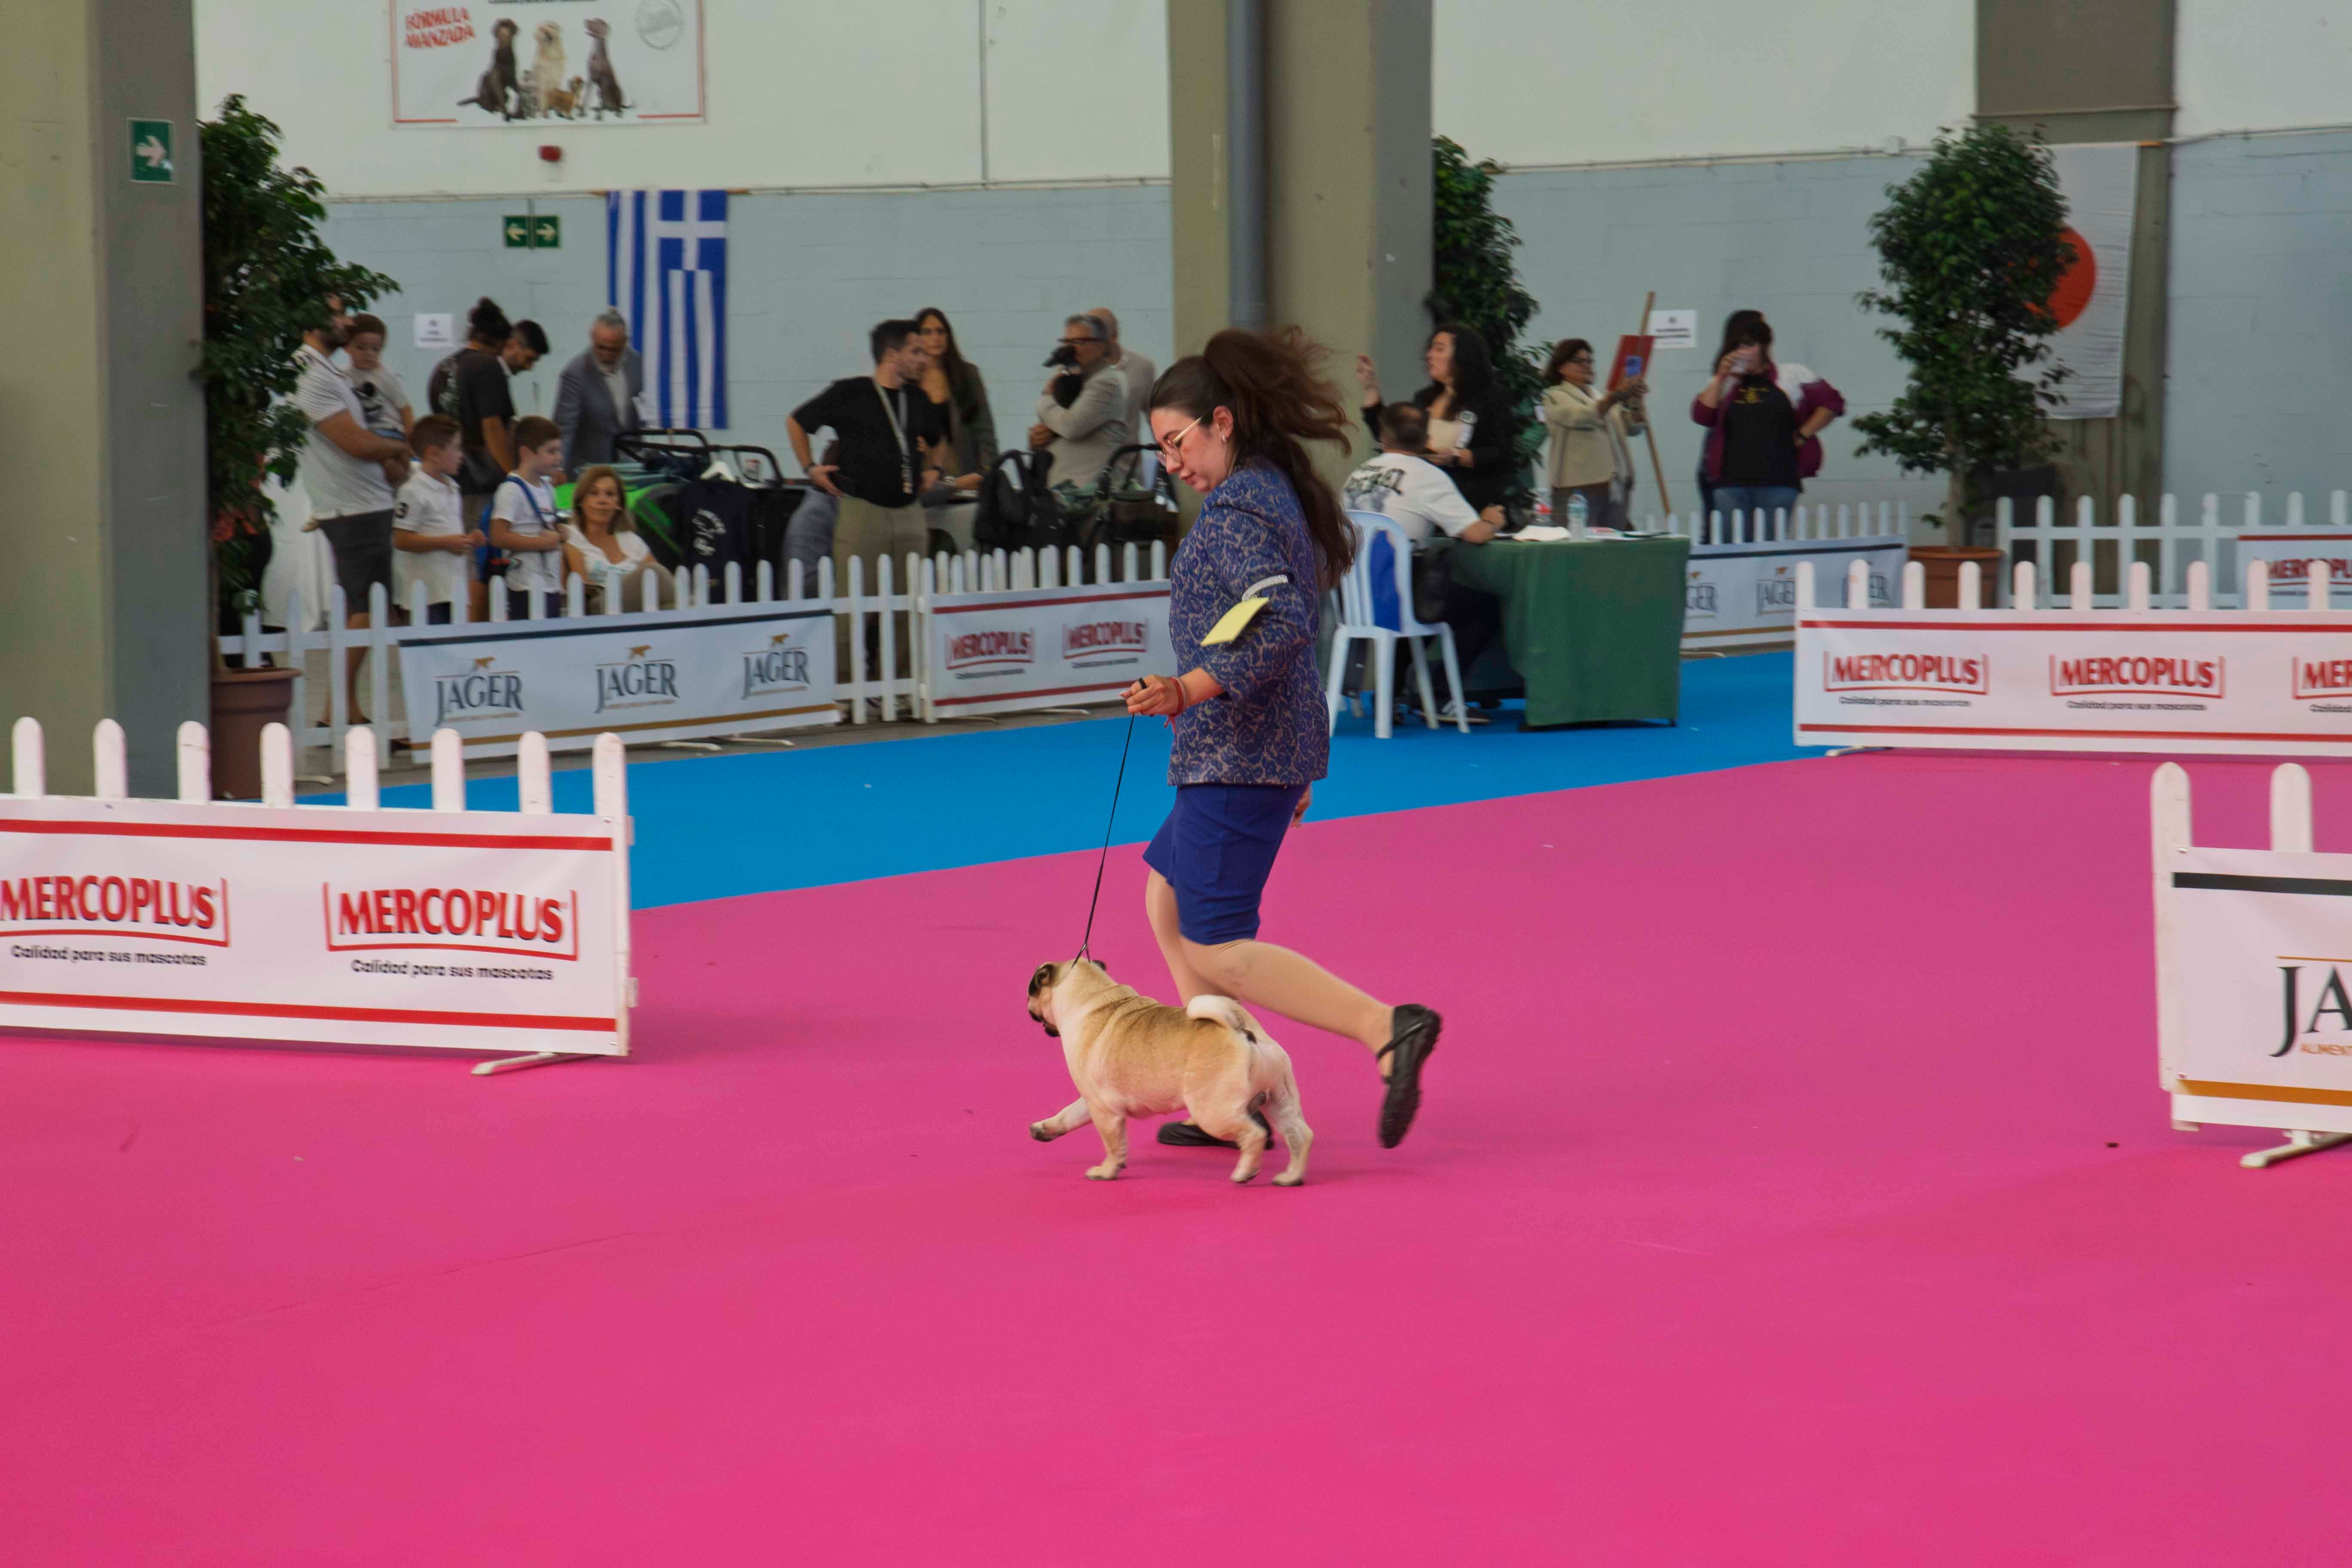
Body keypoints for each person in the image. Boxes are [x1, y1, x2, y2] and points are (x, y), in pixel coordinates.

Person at [1127, 326, 1443, 1151]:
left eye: (1177, 442)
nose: (1173, 463)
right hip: (1254, 745)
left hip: (1237, 747)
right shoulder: (1271, 490)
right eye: (1162, 449)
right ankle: (1223, 1082)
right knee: (1165, 895)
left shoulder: (1237, 509)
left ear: (1221, 422)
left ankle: (1387, 1026)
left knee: (1218, 942)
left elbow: (1279, 628)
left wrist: (1185, 687)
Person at [787, 319, 948, 679]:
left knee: (910, 604)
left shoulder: (916, 399)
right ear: (892, 355)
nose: (924, 359)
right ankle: (843, 689)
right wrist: (811, 466)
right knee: (853, 604)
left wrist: (934, 471)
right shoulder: (852, 393)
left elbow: (939, 441)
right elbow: (797, 421)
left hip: (909, 512)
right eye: (916, 352)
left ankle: (904, 686)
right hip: (863, 511)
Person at [1341, 402, 1503, 723]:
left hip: (1354, 600)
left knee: (1414, 587)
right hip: (1399, 600)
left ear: (1384, 436)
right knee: (1480, 607)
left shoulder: (1358, 474)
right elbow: (1477, 534)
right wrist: (1493, 519)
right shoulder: (1429, 476)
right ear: (1427, 436)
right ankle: (1442, 696)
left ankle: (1395, 693)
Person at [295, 298, 411, 722]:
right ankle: (338, 704)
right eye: (337, 314)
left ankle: (341, 703)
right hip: (354, 509)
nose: (345, 322)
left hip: (365, 502)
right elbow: (355, 443)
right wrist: (401, 447)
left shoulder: (330, 372)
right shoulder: (311, 374)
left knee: (362, 606)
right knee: (369, 607)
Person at [1689, 317, 1845, 538]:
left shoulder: (1792, 375)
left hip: (1779, 481)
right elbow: (1702, 415)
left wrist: (1803, 434)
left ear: (1764, 347)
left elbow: (1832, 403)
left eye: (1750, 345)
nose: (1743, 352)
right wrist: (1721, 377)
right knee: (1730, 551)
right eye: (1737, 347)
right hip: (1730, 483)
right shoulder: (1725, 384)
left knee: (1770, 551)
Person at [1354, 323, 1516, 515]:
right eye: (1431, 349)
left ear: (1463, 355)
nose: (1430, 355)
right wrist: (1370, 387)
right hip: (1423, 495)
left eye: (1439, 349)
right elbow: (1389, 434)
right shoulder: (1425, 398)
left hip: (1469, 501)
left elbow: (1501, 452)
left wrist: (1456, 457)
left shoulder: (1492, 396)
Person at [1540, 337, 1645, 531]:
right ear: (1561, 367)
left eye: (1589, 361)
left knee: (1612, 545)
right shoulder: (1554, 396)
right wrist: (1614, 397)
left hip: (1614, 483)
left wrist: (1635, 400)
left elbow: (1633, 428)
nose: (1586, 366)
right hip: (1577, 487)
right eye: (1579, 361)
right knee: (1577, 544)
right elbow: (1581, 417)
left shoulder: (1599, 395)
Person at [392, 414, 482, 625]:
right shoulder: (412, 491)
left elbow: (445, 533)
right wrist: (446, 543)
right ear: (434, 453)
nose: (462, 455)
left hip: (450, 588)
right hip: (425, 593)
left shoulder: (453, 489)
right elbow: (402, 540)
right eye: (457, 448)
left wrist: (468, 539)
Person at [1028, 312, 1130, 492]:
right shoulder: (1069, 376)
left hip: (1088, 495)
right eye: (1066, 342)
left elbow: (1070, 426)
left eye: (1078, 342)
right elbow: (1055, 422)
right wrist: (1038, 438)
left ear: (1100, 346)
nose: (1069, 349)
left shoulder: (1107, 382)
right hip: (1061, 491)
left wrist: (1045, 398)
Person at [489, 414, 567, 619]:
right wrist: (542, 543)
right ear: (526, 453)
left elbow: (547, 527)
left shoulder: (548, 488)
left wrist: (560, 532)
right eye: (551, 452)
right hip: (524, 585)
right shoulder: (511, 491)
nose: (558, 458)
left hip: (550, 583)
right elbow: (498, 536)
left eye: (559, 451)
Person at [562, 464, 670, 613]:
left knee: (668, 604)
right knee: (652, 572)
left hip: (636, 611)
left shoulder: (632, 541)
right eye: (594, 493)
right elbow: (580, 591)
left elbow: (662, 584)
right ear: (581, 501)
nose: (603, 501)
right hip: (597, 607)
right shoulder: (571, 536)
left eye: (610, 494)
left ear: (619, 504)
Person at [915, 307, 996, 493]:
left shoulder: (967, 375)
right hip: (922, 476)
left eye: (941, 331)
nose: (935, 338)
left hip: (963, 473)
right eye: (927, 332)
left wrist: (987, 472)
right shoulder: (908, 380)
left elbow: (985, 430)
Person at [552, 309, 643, 472]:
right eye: (601, 347)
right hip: (591, 469)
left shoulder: (637, 363)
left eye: (614, 349)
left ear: (625, 343)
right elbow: (564, 429)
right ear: (592, 338)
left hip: (632, 465)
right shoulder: (575, 374)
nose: (606, 355)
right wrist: (558, 469)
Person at [1087, 304, 1156, 476]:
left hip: (1129, 476)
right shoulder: (1077, 370)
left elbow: (1155, 417)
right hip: (1087, 475)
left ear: (1114, 337)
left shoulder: (1142, 368)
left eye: (1095, 338)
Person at [344, 314, 412, 439]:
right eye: (361, 348)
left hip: (391, 430)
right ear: (346, 347)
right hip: (366, 431)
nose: (369, 354)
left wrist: (411, 439)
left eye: (375, 349)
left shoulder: (386, 377)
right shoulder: (343, 375)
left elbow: (405, 409)